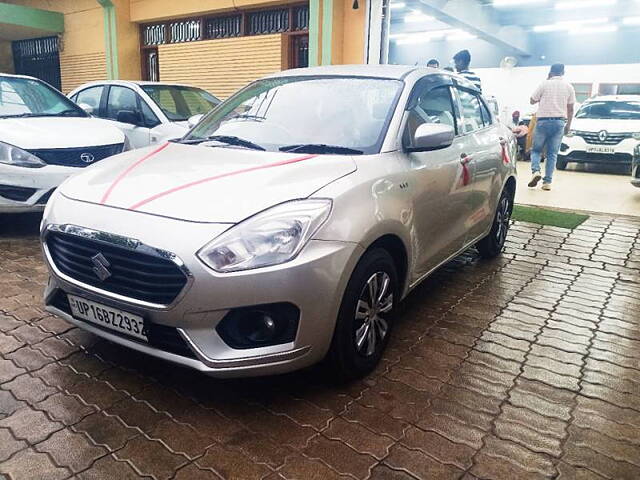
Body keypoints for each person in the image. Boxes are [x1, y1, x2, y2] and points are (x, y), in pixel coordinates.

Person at [528, 63, 576, 191]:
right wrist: (568, 126)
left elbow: (532, 100)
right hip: (559, 122)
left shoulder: (544, 84)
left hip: (542, 121)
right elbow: (570, 109)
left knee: (536, 150)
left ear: (550, 72)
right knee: (552, 154)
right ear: (563, 72)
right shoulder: (569, 87)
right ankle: (547, 182)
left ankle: (536, 171)